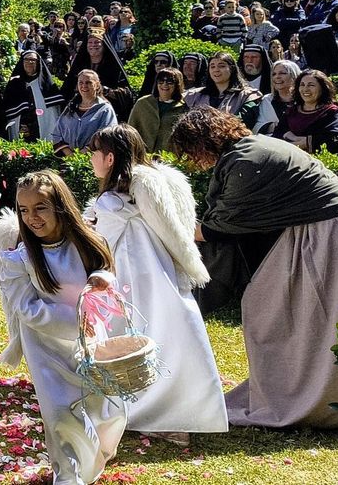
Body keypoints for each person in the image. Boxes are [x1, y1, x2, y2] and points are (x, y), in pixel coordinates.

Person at [170, 108, 338, 428]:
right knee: (293, 311)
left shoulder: (247, 161)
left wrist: (171, 229)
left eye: (191, 151)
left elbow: (220, 227)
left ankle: (325, 396)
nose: (193, 161)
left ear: (204, 142)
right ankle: (324, 390)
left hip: (332, 230)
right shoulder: (253, 147)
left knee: (302, 315)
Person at [84, 126, 226, 443]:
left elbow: (101, 241)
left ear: (109, 158)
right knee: (164, 332)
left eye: (94, 152)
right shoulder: (146, 185)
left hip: (131, 274)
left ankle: (144, 410)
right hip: (156, 271)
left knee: (133, 333)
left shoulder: (112, 200)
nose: (91, 158)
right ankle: (173, 410)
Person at [0, 171, 125, 485]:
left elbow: (106, 272)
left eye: (40, 208)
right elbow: (25, 307)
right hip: (46, 345)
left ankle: (97, 454)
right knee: (61, 413)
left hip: (90, 339)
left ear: (60, 206)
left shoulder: (88, 242)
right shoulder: (20, 258)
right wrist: (76, 320)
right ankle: (68, 474)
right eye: (24, 210)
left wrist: (101, 280)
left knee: (107, 408)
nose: (31, 218)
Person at [273, 69, 338, 152]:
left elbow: (336, 139)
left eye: (311, 85)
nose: (305, 89)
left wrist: (306, 142)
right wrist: (290, 136)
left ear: (322, 88)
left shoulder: (331, 112)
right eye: (302, 85)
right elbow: (277, 134)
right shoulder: (291, 111)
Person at [185, 51, 264, 129]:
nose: (216, 70)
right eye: (212, 66)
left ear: (232, 68)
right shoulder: (194, 96)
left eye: (221, 66)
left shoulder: (247, 95)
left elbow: (243, 122)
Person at [1, 50, 64, 142]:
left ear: (38, 62)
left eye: (33, 60)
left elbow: (53, 113)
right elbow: (9, 111)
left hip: (43, 129)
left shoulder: (46, 85)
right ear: (22, 62)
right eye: (26, 59)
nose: (29, 62)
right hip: (20, 128)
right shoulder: (14, 85)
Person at [53, 70, 117, 157]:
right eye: (81, 82)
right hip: (67, 160)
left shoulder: (105, 109)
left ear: (97, 85)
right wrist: (69, 154)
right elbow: (57, 133)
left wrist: (84, 153)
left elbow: (107, 136)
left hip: (94, 160)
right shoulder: (71, 107)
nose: (84, 86)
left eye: (88, 82)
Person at [127, 68, 188, 153]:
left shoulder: (184, 108)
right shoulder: (143, 103)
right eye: (161, 81)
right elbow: (130, 130)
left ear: (178, 84)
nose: (164, 84)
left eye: (170, 82)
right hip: (142, 156)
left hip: (168, 158)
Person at [62, 31, 129, 96]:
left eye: (97, 42)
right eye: (90, 42)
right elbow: (68, 88)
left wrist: (106, 91)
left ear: (104, 45)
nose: (93, 45)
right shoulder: (79, 64)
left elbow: (126, 92)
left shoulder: (113, 66)